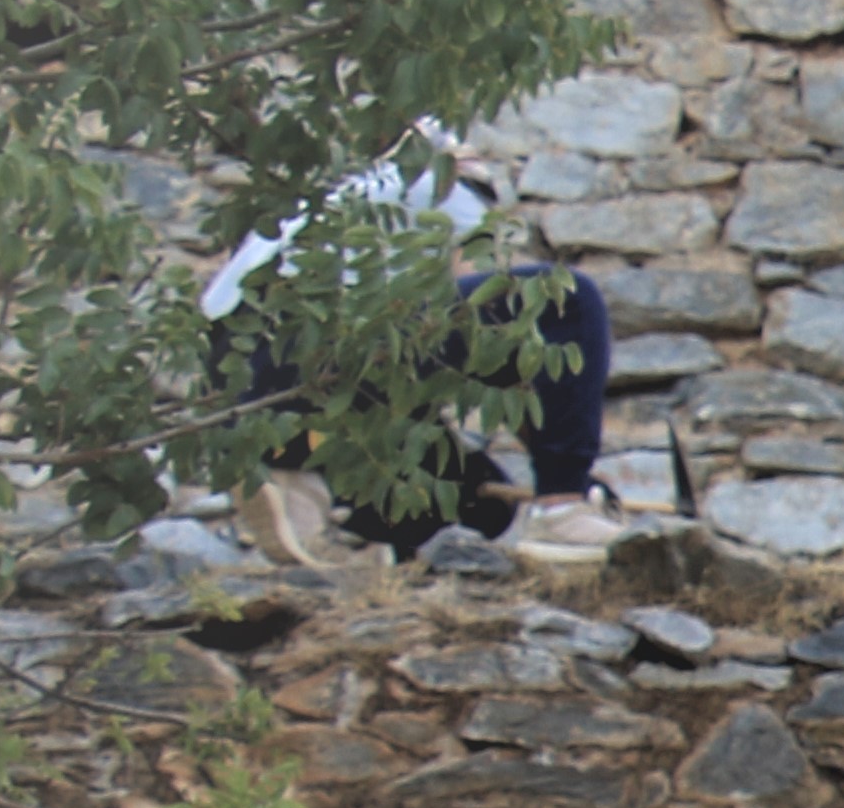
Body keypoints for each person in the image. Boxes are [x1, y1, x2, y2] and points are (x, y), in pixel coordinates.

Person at [209, 127, 620, 567]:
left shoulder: (335, 198)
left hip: (243, 385)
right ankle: (561, 510)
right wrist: (564, 470)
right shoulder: (451, 190)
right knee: (564, 302)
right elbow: (501, 340)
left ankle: (308, 497)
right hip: (320, 357)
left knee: (475, 496)